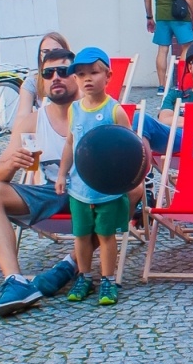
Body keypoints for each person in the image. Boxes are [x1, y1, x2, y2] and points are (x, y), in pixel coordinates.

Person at [0, 47, 84, 318]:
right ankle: (15, 281)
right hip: (52, 191)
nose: (55, 77)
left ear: (76, 76)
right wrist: (11, 163)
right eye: (48, 74)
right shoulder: (32, 122)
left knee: (126, 191)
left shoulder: (95, 112)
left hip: (89, 191)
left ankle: (70, 263)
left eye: (63, 71)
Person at [55, 47, 138, 307]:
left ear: (108, 76)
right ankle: (84, 277)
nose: (87, 79)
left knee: (105, 235)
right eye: (81, 75)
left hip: (107, 188)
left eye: (93, 72)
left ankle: (108, 279)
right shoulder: (74, 109)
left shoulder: (115, 111)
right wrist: (62, 174)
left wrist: (127, 179)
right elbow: (70, 143)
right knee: (81, 235)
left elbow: (130, 148)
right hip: (79, 187)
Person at [17, 31, 72, 110]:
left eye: (56, 51)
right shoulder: (32, 82)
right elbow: (22, 115)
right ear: (40, 55)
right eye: (46, 52)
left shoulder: (77, 78)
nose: (51, 55)